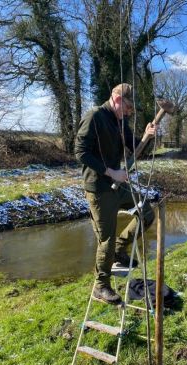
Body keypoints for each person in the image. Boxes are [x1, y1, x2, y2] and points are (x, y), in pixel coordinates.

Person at [75, 83, 156, 304]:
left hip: (118, 184)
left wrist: (147, 137)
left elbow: (134, 147)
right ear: (117, 99)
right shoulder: (94, 117)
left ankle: (121, 248)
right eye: (128, 107)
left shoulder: (120, 122)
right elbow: (80, 152)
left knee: (146, 213)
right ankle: (101, 286)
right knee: (106, 240)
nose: (130, 112)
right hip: (99, 188)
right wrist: (111, 172)